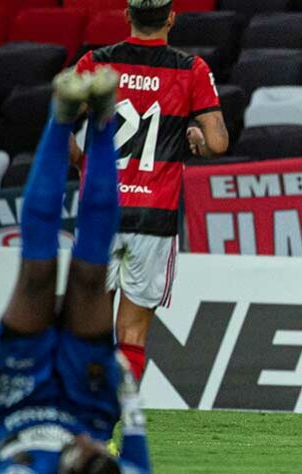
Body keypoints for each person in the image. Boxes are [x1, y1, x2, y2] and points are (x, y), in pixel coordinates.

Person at [0, 68, 151, 474]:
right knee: (90, 275)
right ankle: (101, 120)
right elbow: (138, 466)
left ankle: (61, 117)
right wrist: (131, 404)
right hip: (84, 400)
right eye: (100, 450)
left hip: (18, 403)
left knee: (36, 273)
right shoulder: (96, 452)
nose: (93, 447)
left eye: (91, 452)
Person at [72, 0, 229, 380]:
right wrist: (196, 138)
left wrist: (82, 163)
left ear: (127, 16)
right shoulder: (191, 69)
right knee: (132, 334)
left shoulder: (95, 63)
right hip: (154, 215)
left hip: (100, 210)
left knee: (90, 330)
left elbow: (57, 127)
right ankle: (117, 430)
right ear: (171, 18)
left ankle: (88, 425)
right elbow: (219, 143)